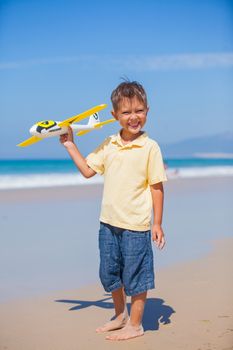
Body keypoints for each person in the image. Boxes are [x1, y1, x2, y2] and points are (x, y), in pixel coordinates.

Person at [60, 80, 167, 341]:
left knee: (136, 275)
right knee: (109, 272)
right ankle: (120, 315)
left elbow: (156, 187)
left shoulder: (150, 147)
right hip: (108, 223)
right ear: (114, 116)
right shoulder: (109, 144)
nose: (134, 117)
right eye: (127, 112)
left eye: (139, 110)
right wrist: (70, 145)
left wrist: (157, 223)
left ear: (147, 111)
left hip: (136, 226)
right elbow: (87, 171)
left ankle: (136, 324)